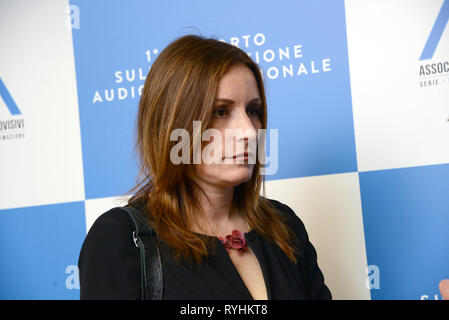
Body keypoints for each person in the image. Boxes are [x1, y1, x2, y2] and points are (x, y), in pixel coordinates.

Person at [78, 34, 332, 300]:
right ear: (173, 123)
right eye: (221, 112)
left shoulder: (284, 226)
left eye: (253, 110)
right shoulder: (120, 239)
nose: (248, 131)